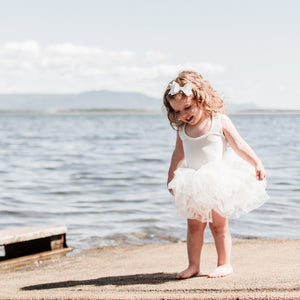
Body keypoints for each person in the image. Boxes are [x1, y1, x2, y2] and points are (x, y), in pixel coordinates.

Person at [163, 70, 269, 279]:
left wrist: (256, 162)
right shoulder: (182, 130)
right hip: (193, 182)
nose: (184, 114)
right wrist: (171, 176)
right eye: (178, 111)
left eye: (188, 107)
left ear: (201, 99)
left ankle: (224, 263)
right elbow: (178, 154)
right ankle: (193, 265)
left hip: (218, 181)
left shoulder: (219, 121)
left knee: (219, 225)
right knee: (194, 226)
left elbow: (238, 144)